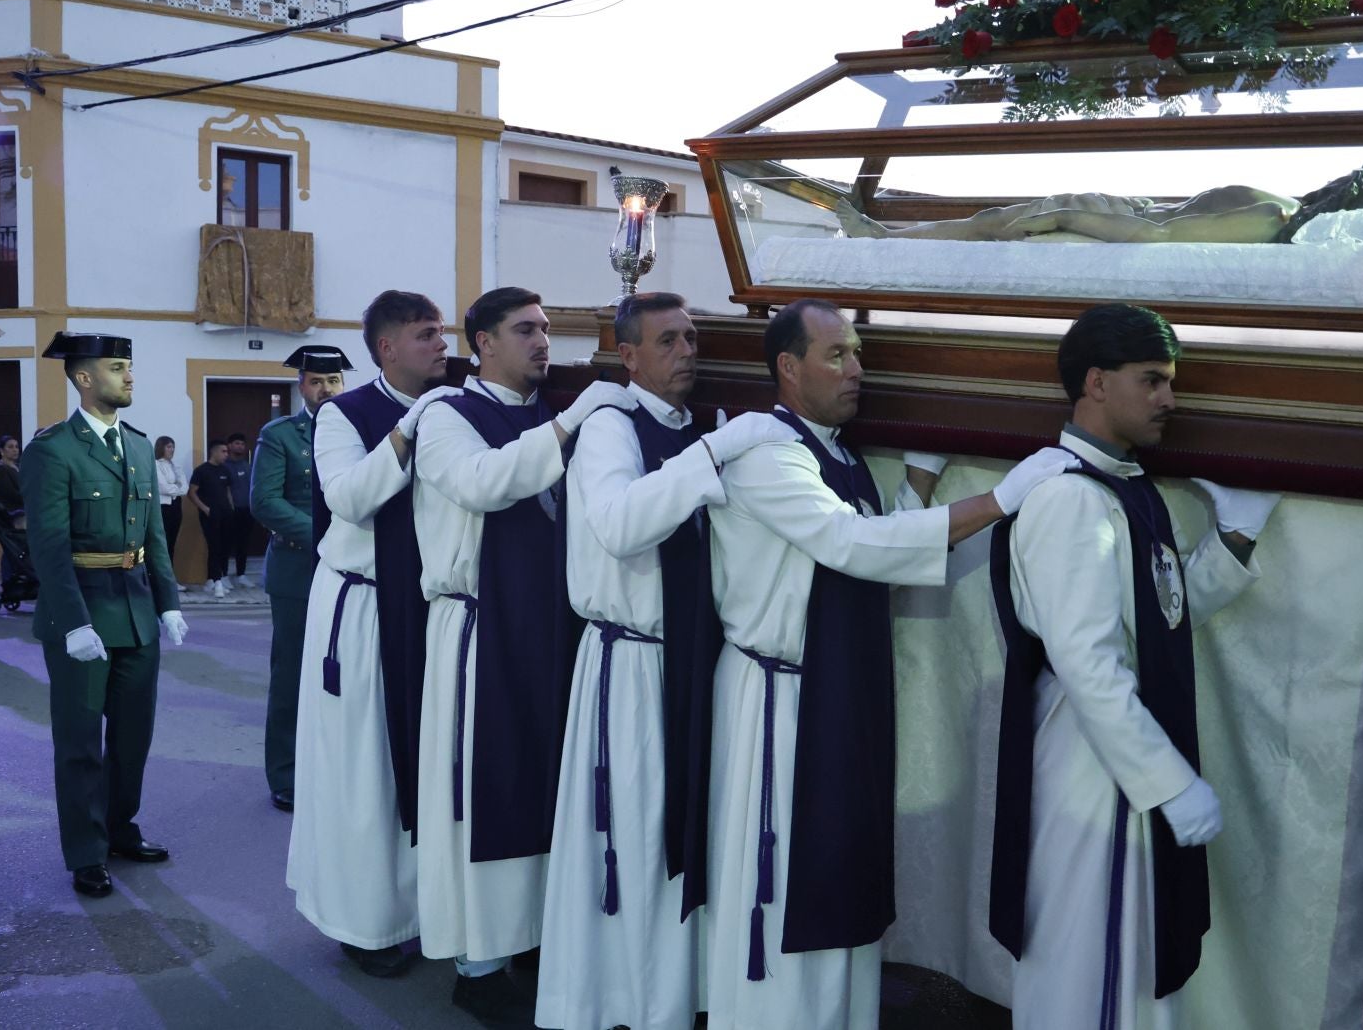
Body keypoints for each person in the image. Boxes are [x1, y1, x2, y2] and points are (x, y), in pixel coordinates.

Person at [700, 297, 1073, 1030]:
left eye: (858, 353)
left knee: (840, 865)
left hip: (835, 696)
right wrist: (1001, 497)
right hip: (778, 701)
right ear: (787, 366)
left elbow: (886, 563)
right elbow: (852, 546)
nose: (857, 370)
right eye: (837, 354)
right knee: (783, 882)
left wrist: (948, 497)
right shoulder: (769, 452)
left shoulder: (835, 453)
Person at [988, 303, 1279, 1030]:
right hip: (1095, 764)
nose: (1169, 400)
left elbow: (1158, 617)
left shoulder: (1122, 487)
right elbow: (1089, 663)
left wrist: (1236, 537)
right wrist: (1171, 784)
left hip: (1119, 758)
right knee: (1091, 974)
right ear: (1095, 383)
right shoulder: (1068, 498)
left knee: (1121, 970)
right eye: (1152, 381)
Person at [537, 293, 799, 1030]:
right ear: (628, 356)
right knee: (631, 837)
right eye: (669, 341)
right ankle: (615, 1002)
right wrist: (711, 455)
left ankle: (672, 998)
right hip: (627, 663)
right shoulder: (610, 429)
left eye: (692, 339)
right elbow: (620, 526)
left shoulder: (699, 428)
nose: (688, 351)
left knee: (679, 836)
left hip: (689, 660)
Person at [411, 286, 633, 1022]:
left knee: (544, 787)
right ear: (482, 343)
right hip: (479, 633)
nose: (542, 342)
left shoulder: (544, 414)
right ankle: (479, 961)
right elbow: (484, 483)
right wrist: (572, 421)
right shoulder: (445, 417)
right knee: (487, 793)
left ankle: (537, 937)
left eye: (545, 329)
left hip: (545, 629)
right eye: (525, 331)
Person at [288, 294, 447, 979]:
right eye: (425, 336)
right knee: (363, 769)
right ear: (387, 348)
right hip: (359, 607)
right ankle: (363, 922)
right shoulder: (341, 417)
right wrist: (413, 429)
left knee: (420, 763)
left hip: (424, 607)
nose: (441, 346)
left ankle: (424, 909)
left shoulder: (453, 406)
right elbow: (350, 497)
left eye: (441, 332)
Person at [21, 331, 187, 899]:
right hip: (83, 617)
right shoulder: (53, 450)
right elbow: (47, 545)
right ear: (84, 378)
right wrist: (73, 622)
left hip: (138, 613)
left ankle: (120, 829)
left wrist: (169, 605)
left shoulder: (139, 446)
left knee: (133, 737)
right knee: (80, 742)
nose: (130, 376)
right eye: (118, 367)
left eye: (130, 366)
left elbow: (155, 535)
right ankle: (86, 852)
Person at [832, 162, 1363, 245]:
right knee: (990, 221)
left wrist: (1067, 218)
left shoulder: (1271, 217)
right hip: (1135, 206)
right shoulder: (1279, 209)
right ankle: (884, 238)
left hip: (1130, 217)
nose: (1340, 182)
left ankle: (883, 240)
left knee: (993, 223)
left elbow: (1163, 240)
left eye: (1351, 185)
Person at [254, 344, 347, 812]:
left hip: (351, 572)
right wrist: (328, 534)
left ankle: (333, 767)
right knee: (291, 673)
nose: (325, 389)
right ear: (301, 386)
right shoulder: (280, 436)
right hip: (297, 571)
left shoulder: (358, 431)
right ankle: (286, 773)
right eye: (316, 381)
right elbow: (265, 502)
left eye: (332, 381)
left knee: (345, 671)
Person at [188, 441, 234, 598]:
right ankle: (217, 581)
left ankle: (215, 579)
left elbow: (227, 491)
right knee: (214, 546)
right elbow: (192, 492)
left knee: (224, 547)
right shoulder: (201, 471)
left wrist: (231, 508)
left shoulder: (225, 470)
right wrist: (204, 508)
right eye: (223, 451)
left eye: (227, 451)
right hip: (210, 515)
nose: (226, 454)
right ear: (214, 452)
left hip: (226, 514)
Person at [223, 432, 258, 588]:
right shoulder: (223, 466)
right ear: (229, 446)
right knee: (226, 543)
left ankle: (241, 574)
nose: (240, 446)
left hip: (247, 510)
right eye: (237, 443)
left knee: (243, 543)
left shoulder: (247, 465)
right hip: (230, 512)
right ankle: (223, 576)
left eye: (242, 444)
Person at [153, 436, 187, 591]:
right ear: (161, 448)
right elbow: (163, 488)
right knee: (163, 543)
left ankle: (171, 578)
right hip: (162, 507)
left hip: (175, 505)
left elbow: (184, 488)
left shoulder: (176, 465)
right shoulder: (156, 464)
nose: (172, 450)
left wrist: (176, 488)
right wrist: (176, 487)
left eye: (173, 447)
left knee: (172, 543)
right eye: (168, 447)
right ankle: (161, 579)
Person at [0, 435, 24, 584]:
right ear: (2, 451)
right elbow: (9, 493)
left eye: (16, 446)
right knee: (11, 548)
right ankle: (8, 580)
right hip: (11, 514)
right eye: (10, 447)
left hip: (22, 513)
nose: (15, 450)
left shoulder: (16, 467)